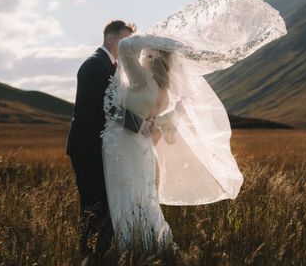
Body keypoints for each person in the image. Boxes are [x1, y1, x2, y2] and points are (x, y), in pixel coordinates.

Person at [101, 33, 245, 254]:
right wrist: (151, 123)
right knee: (142, 193)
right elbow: (166, 118)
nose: (142, 56)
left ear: (153, 56)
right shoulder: (164, 90)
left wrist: (149, 37)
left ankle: (130, 246)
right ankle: (151, 242)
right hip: (143, 146)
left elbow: (124, 47)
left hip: (124, 144)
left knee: (125, 193)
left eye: (147, 53)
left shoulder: (140, 79)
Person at [65, 19, 137, 257]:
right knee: (93, 203)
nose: (128, 46)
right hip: (87, 147)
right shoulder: (95, 65)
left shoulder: (111, 65)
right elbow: (109, 108)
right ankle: (87, 255)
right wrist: (140, 124)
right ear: (110, 39)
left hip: (100, 147)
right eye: (125, 40)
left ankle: (99, 252)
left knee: (103, 202)